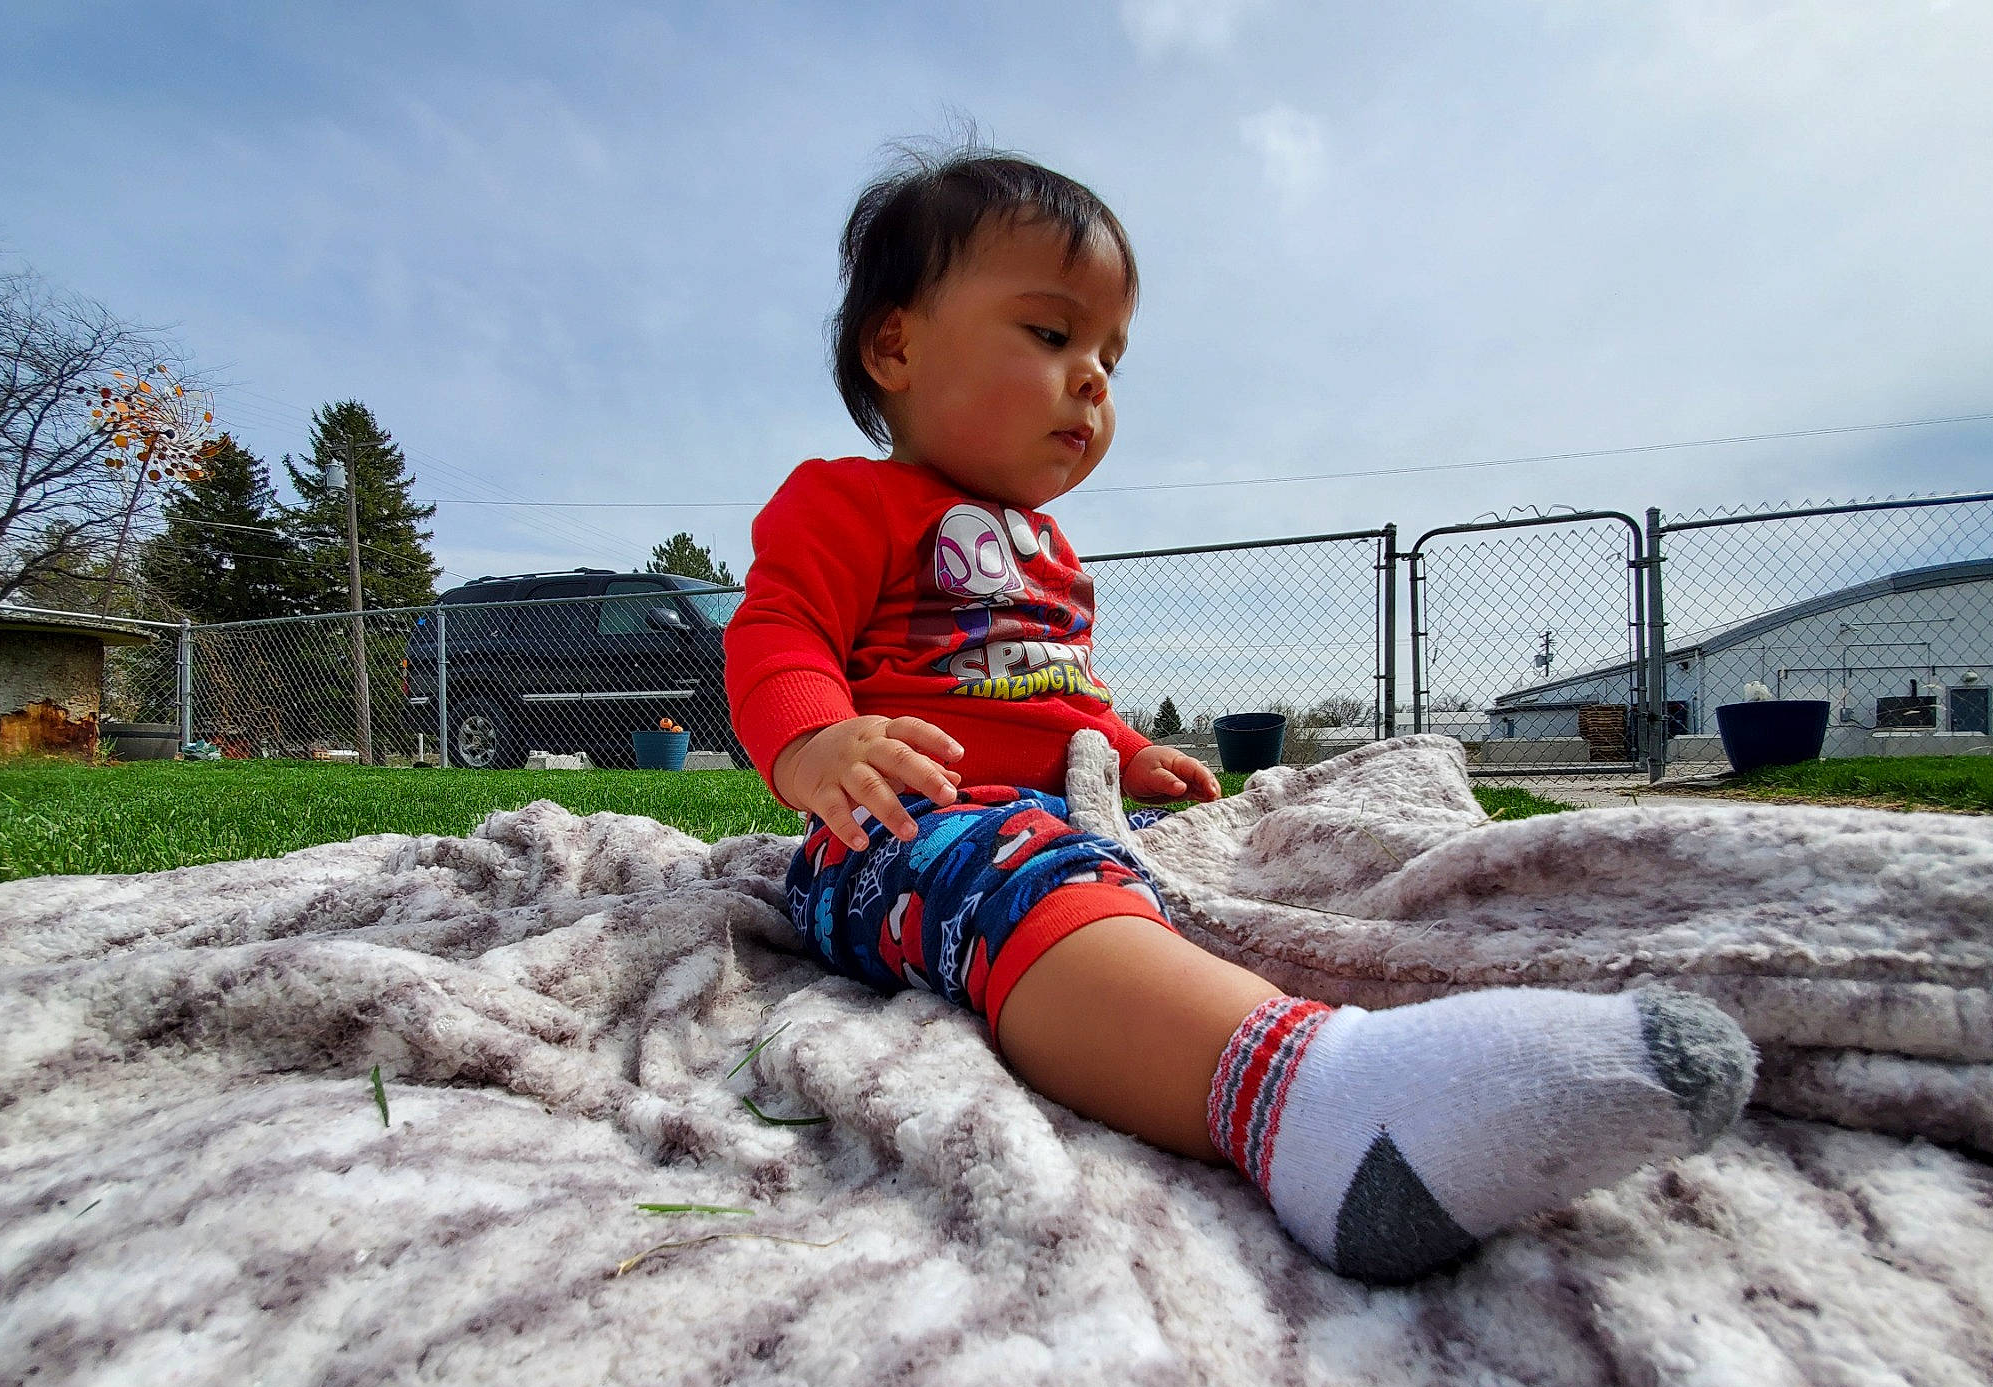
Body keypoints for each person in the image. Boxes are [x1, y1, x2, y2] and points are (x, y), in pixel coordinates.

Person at [724, 147, 1755, 1283]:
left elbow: (1050, 695)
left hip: (1059, 808)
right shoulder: (847, 501)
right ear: (896, 346)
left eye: (1111, 355)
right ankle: (1305, 1103)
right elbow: (775, 636)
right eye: (1051, 335)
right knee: (1015, 881)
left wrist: (1122, 754)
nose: (1093, 379)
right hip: (900, 828)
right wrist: (817, 740)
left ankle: (1444, 995)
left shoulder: (1049, 550)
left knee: (1251, 866)